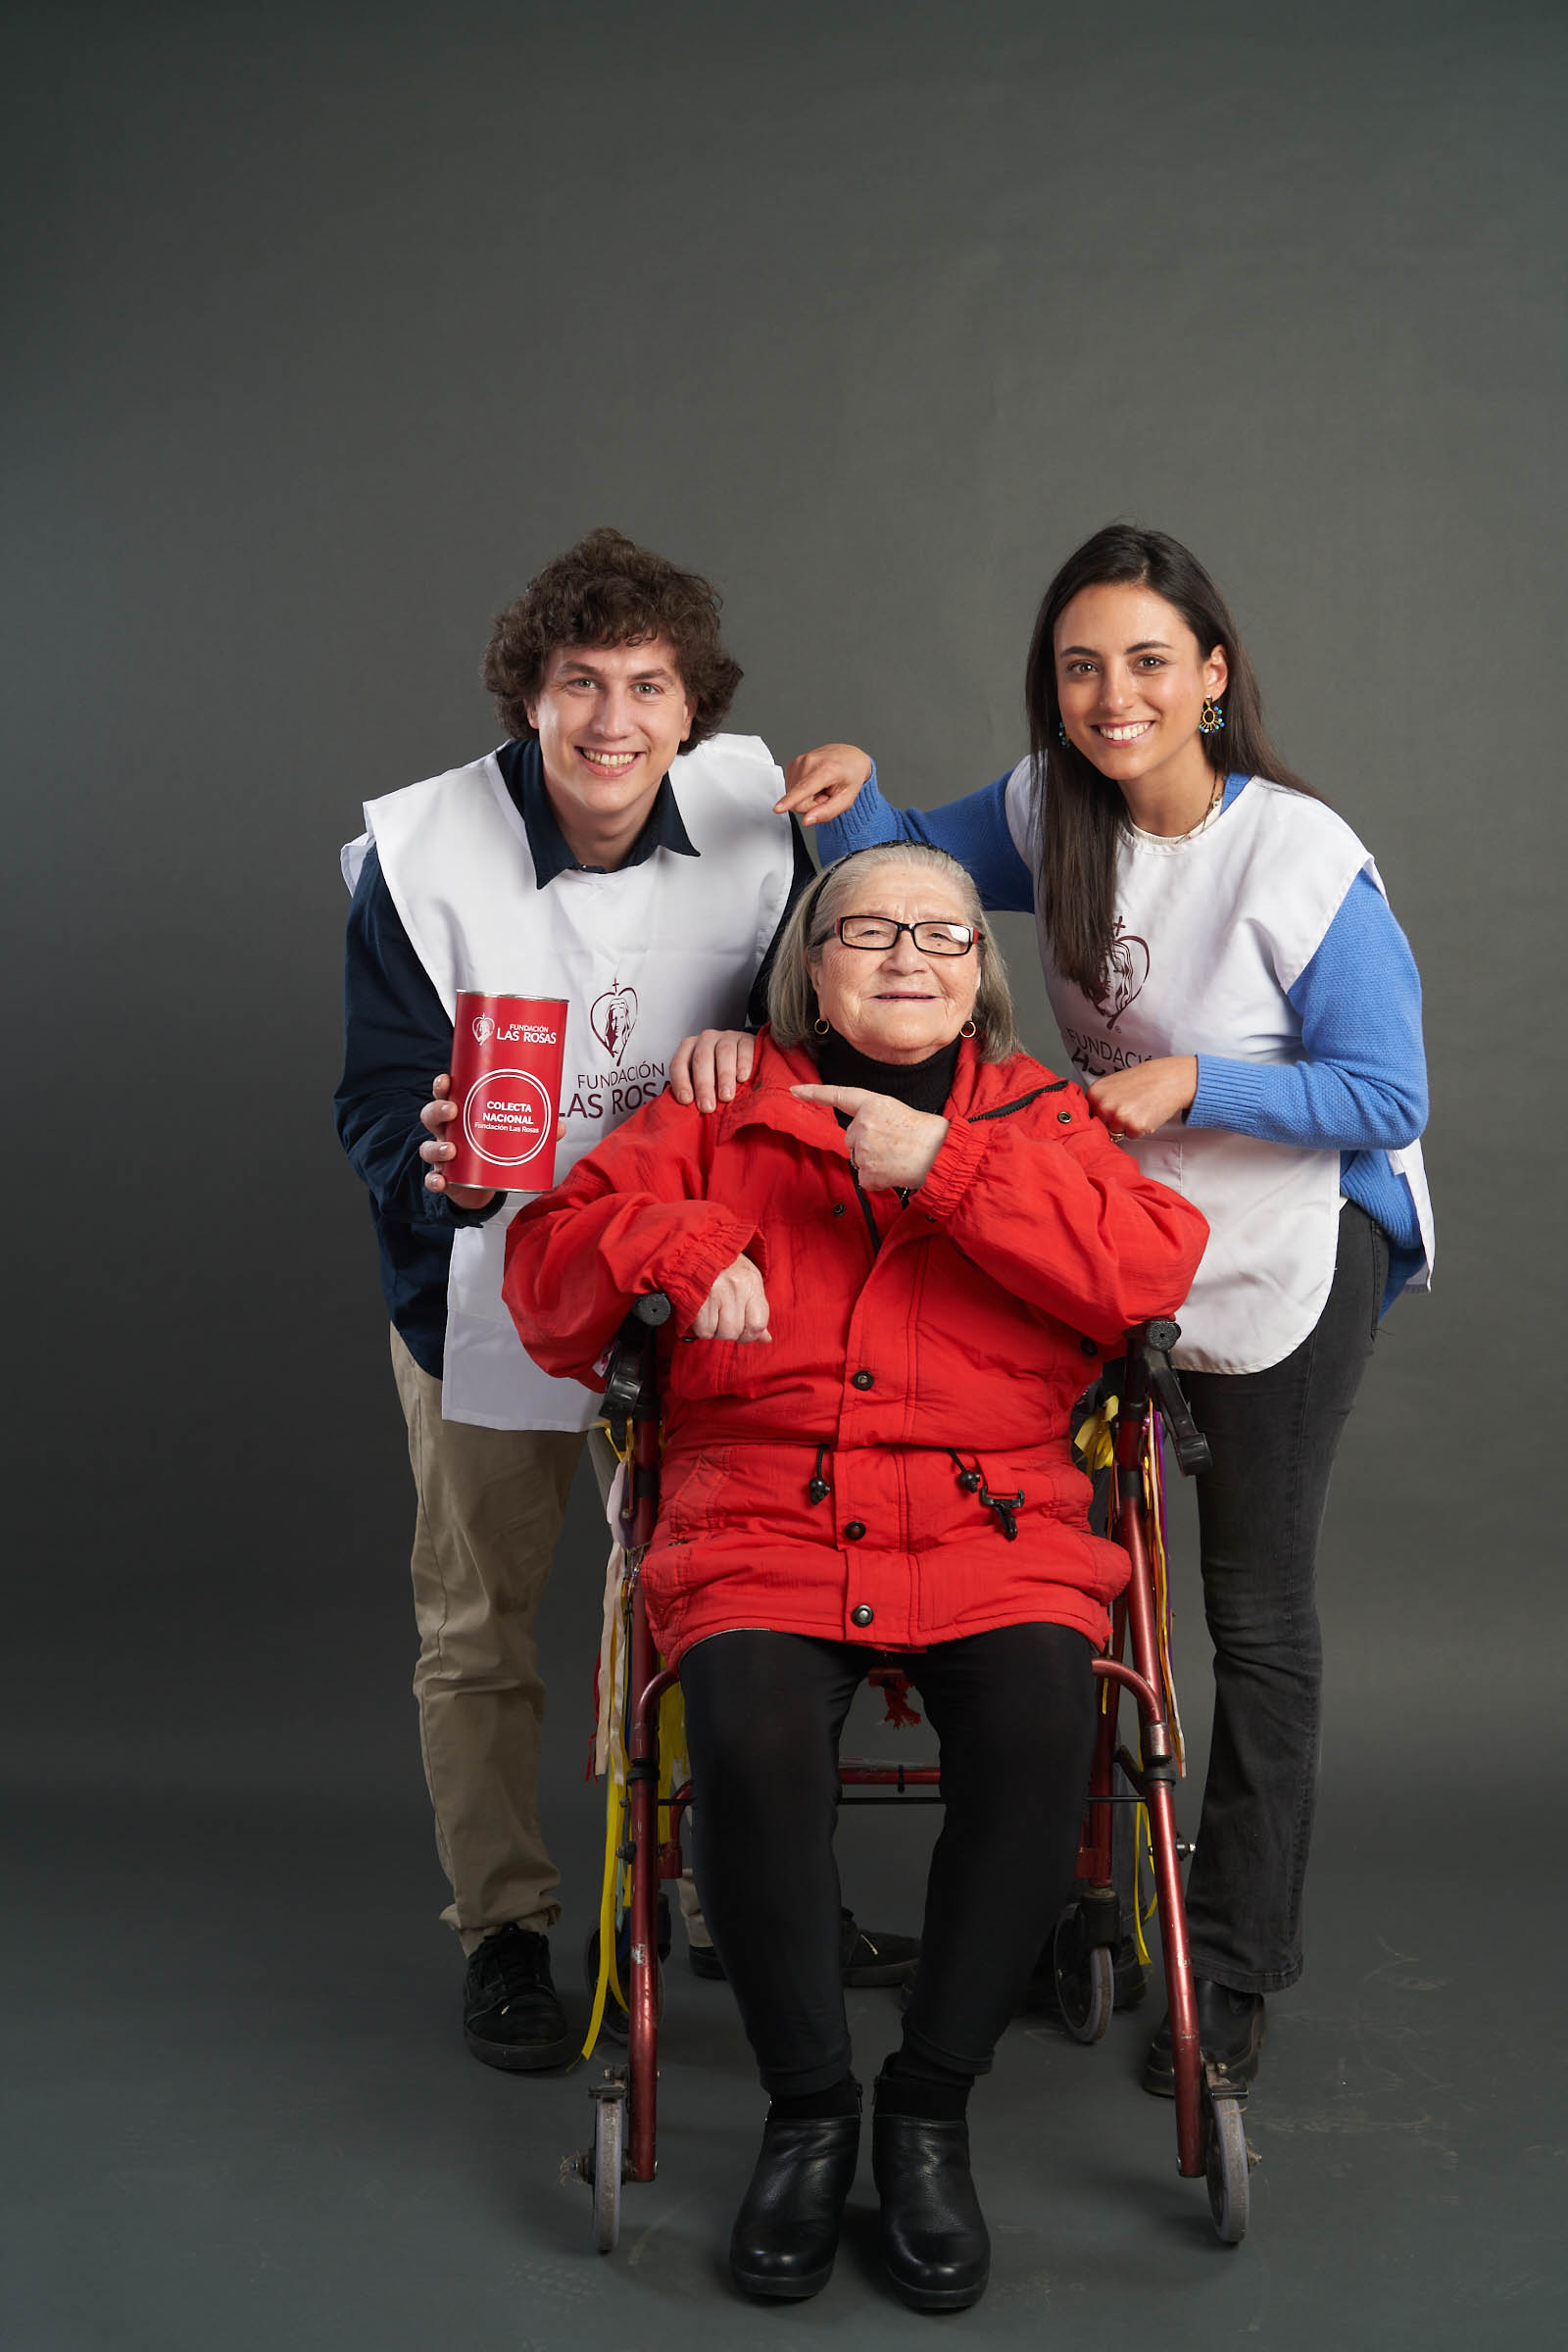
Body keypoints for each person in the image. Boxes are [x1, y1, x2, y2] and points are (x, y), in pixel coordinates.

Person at [747, 523, 1435, 2103]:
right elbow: (898, 875)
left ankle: (1238, 1958)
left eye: (1146, 661)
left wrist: (1196, 1079)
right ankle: (1082, 1904)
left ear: (1213, 674)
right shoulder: (1049, 806)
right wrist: (851, 797)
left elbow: (1387, 1093)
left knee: (1253, 1610)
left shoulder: (1299, 855)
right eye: (1079, 666)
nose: (1112, 696)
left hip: (1286, 1235)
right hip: (1102, 1232)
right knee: (1085, 1585)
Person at [503, 844, 1207, 2308]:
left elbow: (1149, 1268)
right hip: (762, 1509)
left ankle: (931, 2109)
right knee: (749, 1738)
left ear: (978, 975)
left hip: (994, 1518)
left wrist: (943, 1165)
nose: (906, 956)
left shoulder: (1041, 1116)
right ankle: (810, 2111)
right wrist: (678, 1240)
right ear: (810, 970)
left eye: (942, 935)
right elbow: (547, 1272)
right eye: (868, 929)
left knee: (1044, 1729)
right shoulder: (719, 1108)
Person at [332, 527, 913, 2075]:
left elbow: (853, 1008)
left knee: (727, 1599)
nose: (612, 720)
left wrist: (765, 1059)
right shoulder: (420, 852)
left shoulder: (758, 815)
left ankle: (737, 1898)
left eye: (648, 686)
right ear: (528, 695)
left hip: (702, 1274)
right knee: (482, 1624)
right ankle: (506, 1929)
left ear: (691, 706)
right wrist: (433, 1163)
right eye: (579, 681)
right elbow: (372, 1098)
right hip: (483, 1285)